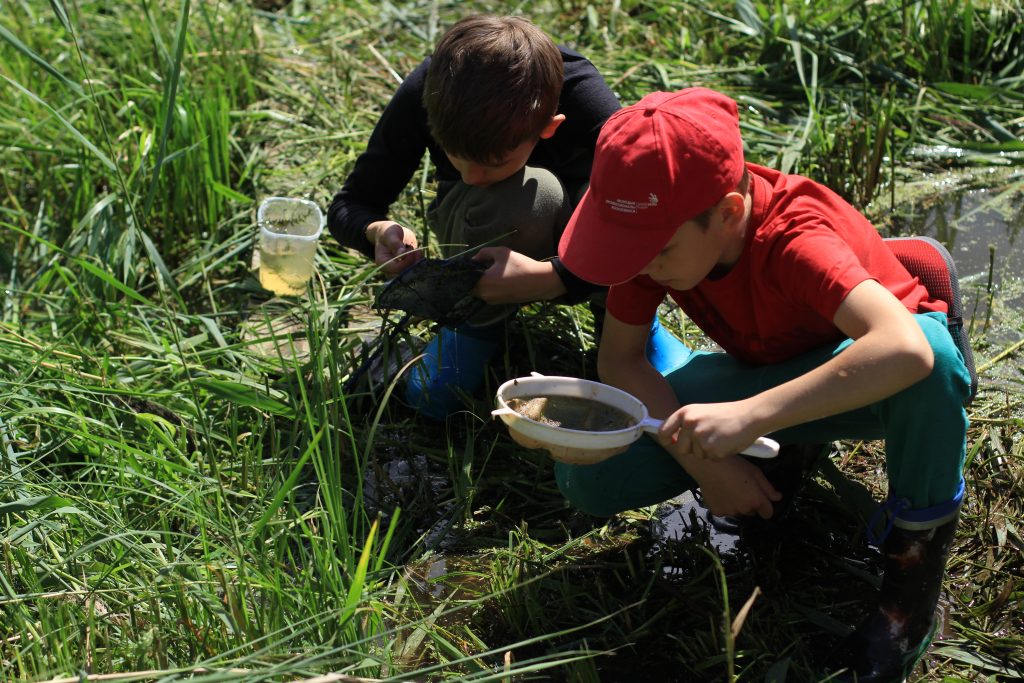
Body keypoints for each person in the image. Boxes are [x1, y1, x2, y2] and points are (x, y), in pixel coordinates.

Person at [555, 87, 972, 682]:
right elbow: (622, 362)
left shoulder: (796, 240)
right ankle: (788, 450)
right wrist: (706, 465)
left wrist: (749, 417)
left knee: (934, 358)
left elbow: (904, 349)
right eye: (629, 249)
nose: (640, 266)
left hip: (869, 375)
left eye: (656, 252)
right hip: (772, 373)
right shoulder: (659, 241)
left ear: (728, 213)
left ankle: (908, 599)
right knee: (590, 471)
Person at [327, 15, 690, 420]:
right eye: (455, 157)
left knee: (604, 197)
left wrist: (557, 279)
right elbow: (351, 203)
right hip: (488, 231)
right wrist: (377, 231)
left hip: (592, 242)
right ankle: (477, 323)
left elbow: (654, 208)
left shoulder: (583, 97)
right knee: (436, 402)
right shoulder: (431, 90)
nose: (472, 177)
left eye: (495, 162)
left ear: (550, 128)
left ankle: (624, 320)